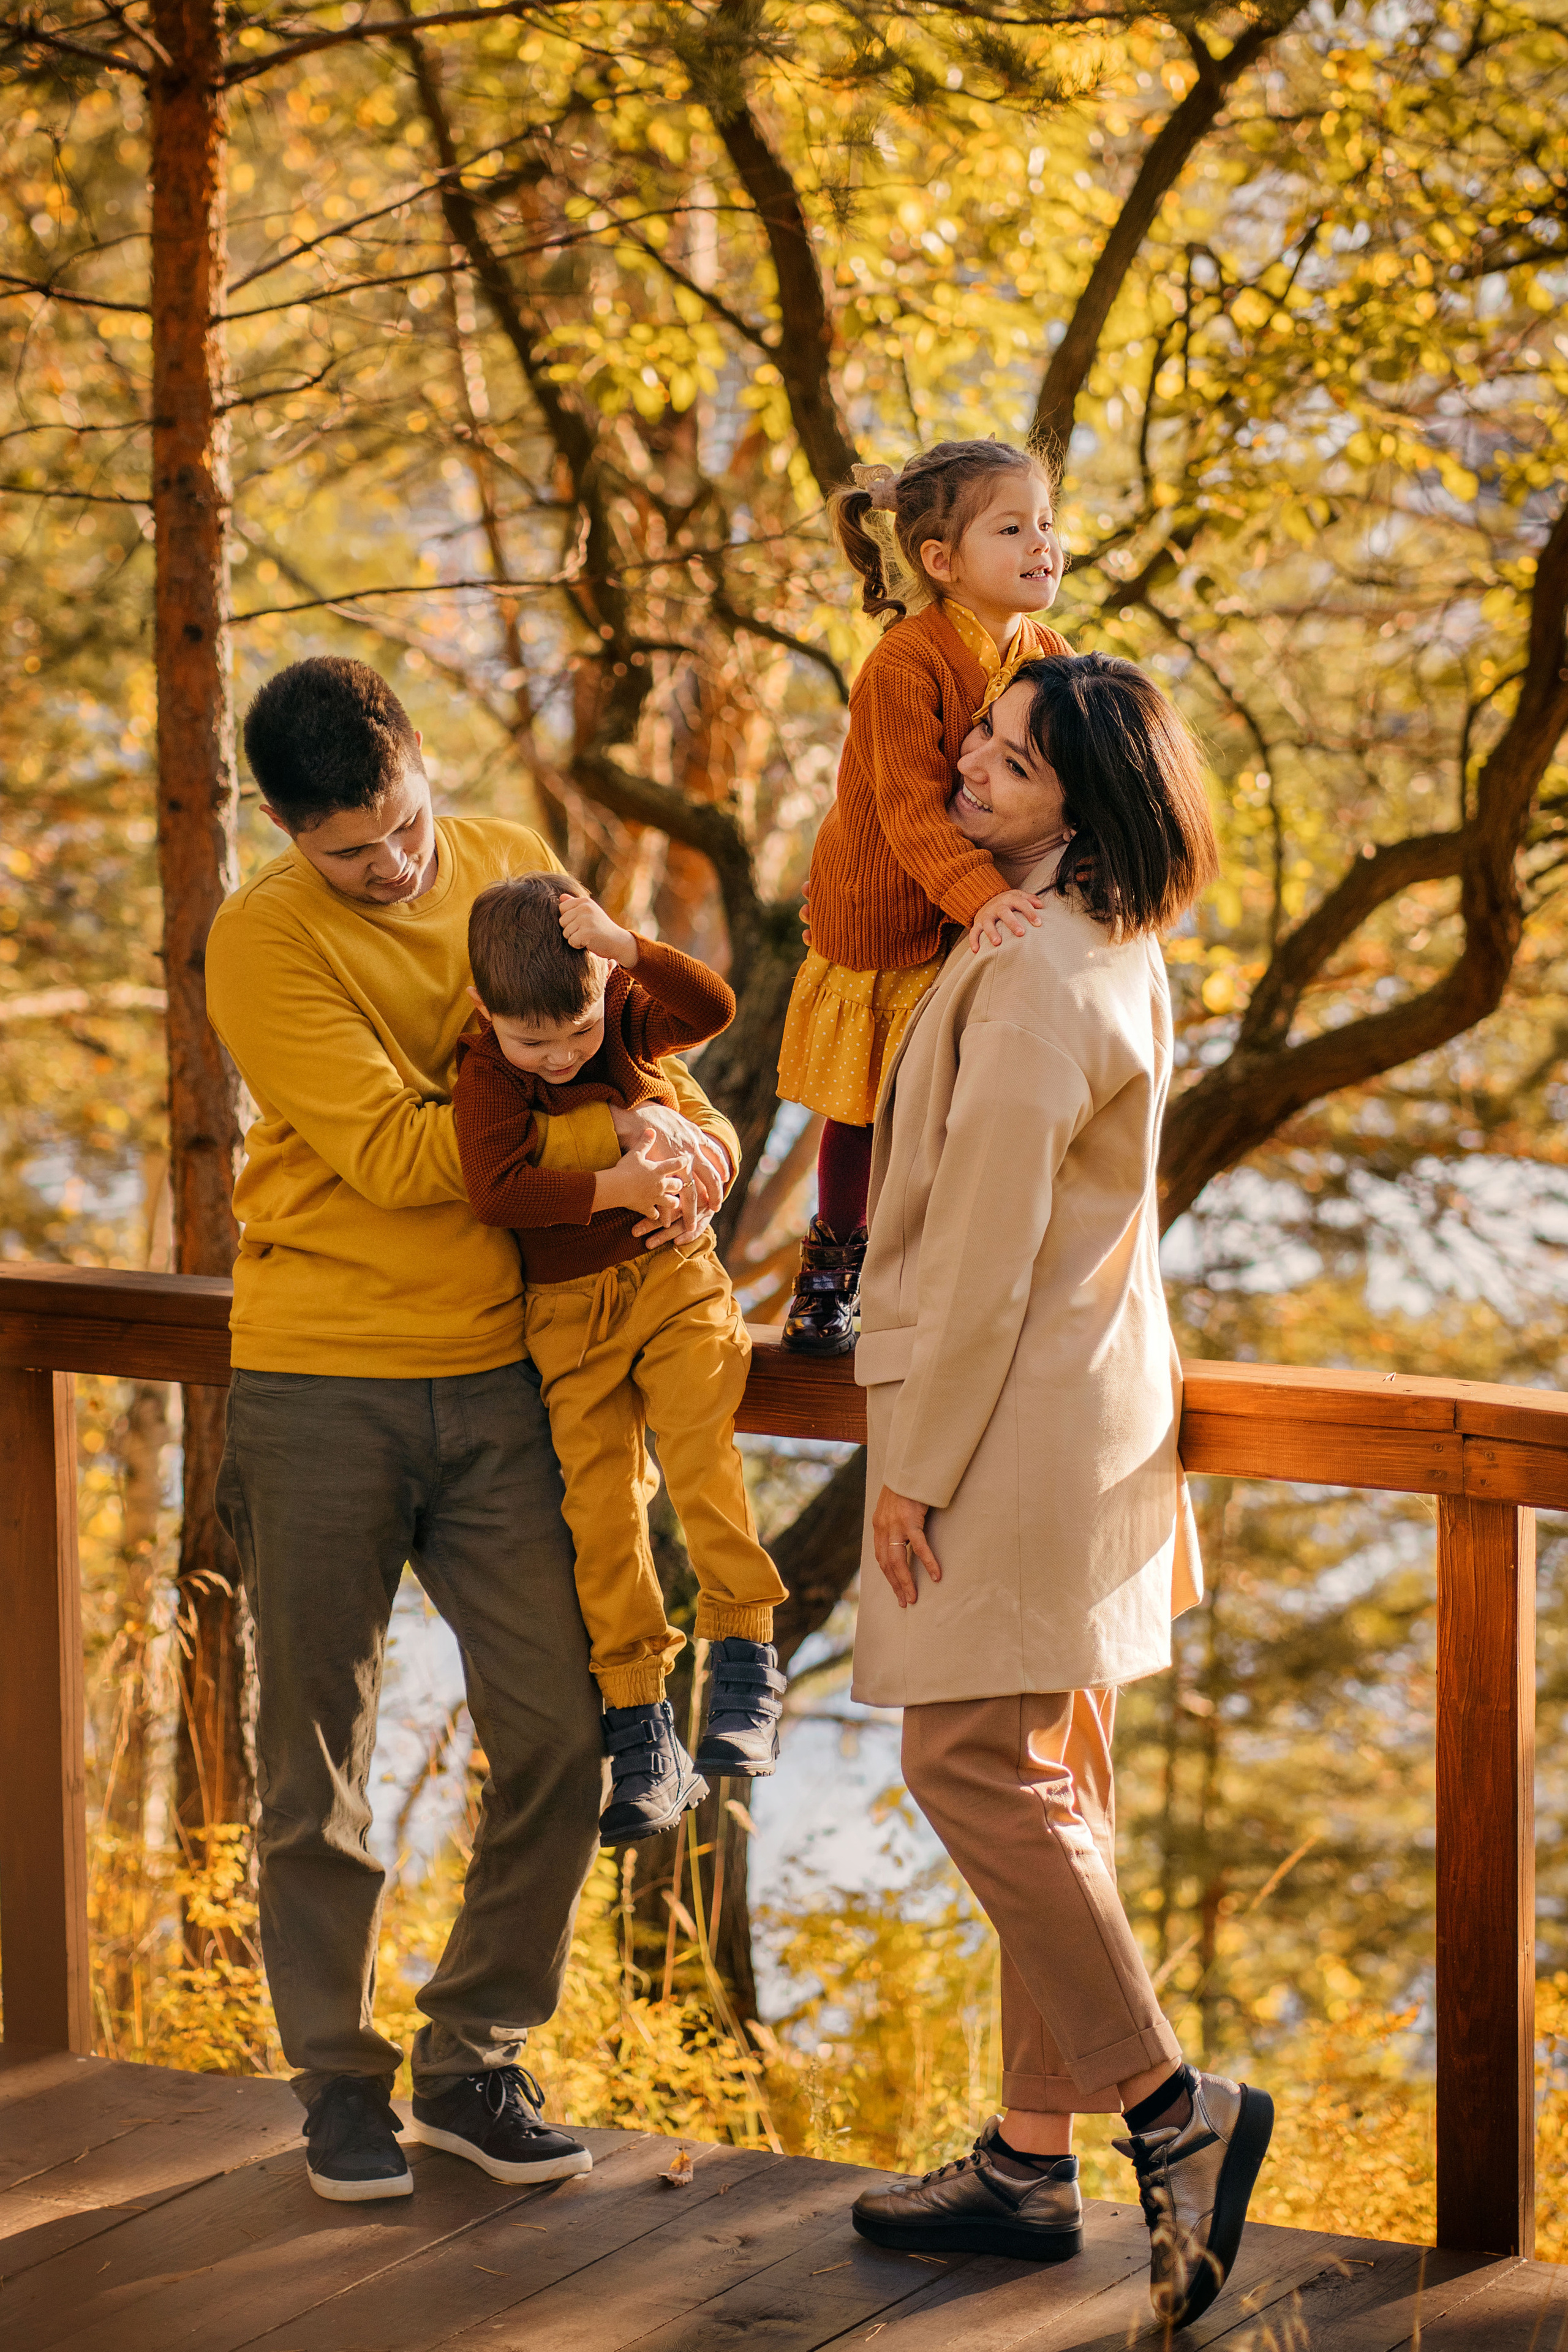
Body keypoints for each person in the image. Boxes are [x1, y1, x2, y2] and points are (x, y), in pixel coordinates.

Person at [205, 655, 737, 2205]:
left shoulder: (512, 860)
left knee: (567, 1733)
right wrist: (605, 1157)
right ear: (287, 833)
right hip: (321, 1378)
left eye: (402, 827)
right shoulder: (262, 941)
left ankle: (471, 2057)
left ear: (426, 767)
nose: (394, 868)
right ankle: (338, 2082)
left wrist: (685, 1143)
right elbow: (384, 1151)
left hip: (510, 1376)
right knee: (316, 1758)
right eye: (351, 853)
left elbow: (638, 1040)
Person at [845, 653, 1274, 2332]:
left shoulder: (1035, 983)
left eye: (1010, 760)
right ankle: (1031, 2163)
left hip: (1011, 1430)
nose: (969, 761)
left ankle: (1175, 2111)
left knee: (974, 1765)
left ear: (1080, 803)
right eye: (981, 736)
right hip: (1093, 1416)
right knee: (1048, 1786)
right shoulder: (1100, 945)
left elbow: (983, 1252)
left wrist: (915, 1473)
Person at [452, 872, 788, 1843]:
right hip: (567, 1319)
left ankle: (743, 1655)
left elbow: (714, 1007)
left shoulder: (627, 1011)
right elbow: (497, 1191)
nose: (559, 1058)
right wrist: (616, 1178)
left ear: (601, 984)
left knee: (699, 1456)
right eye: (534, 1042)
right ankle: (641, 1723)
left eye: (578, 1033)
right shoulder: (489, 1070)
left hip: (674, 1280)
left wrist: (629, 948)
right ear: (487, 1012)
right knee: (599, 1508)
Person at [775, 439, 1070, 1356]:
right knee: (862, 1108)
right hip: (887, 911)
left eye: (1048, 525)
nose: (1042, 545)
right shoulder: (904, 666)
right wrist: (981, 896)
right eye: (1012, 528)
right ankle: (832, 1268)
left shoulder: (1047, 654)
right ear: (941, 562)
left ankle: (941, 1273)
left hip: (965, 906)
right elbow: (908, 812)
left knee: (948, 1105)